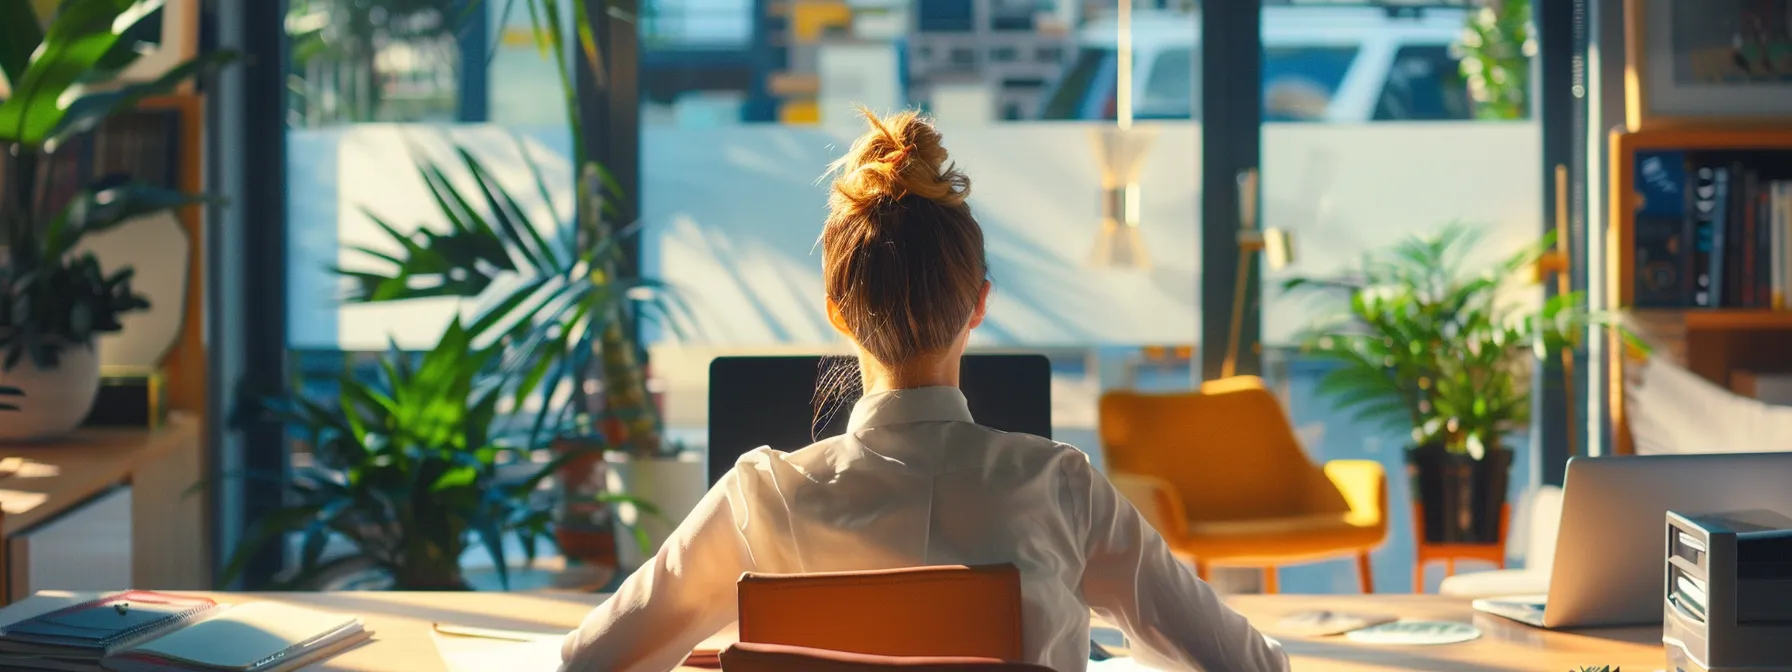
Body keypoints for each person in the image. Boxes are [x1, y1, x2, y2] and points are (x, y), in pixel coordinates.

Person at [559, 109, 1289, 672]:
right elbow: (1243, 665)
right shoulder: (1061, 490)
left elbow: (590, 662)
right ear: (979, 304)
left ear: (836, 311)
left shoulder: (761, 500)